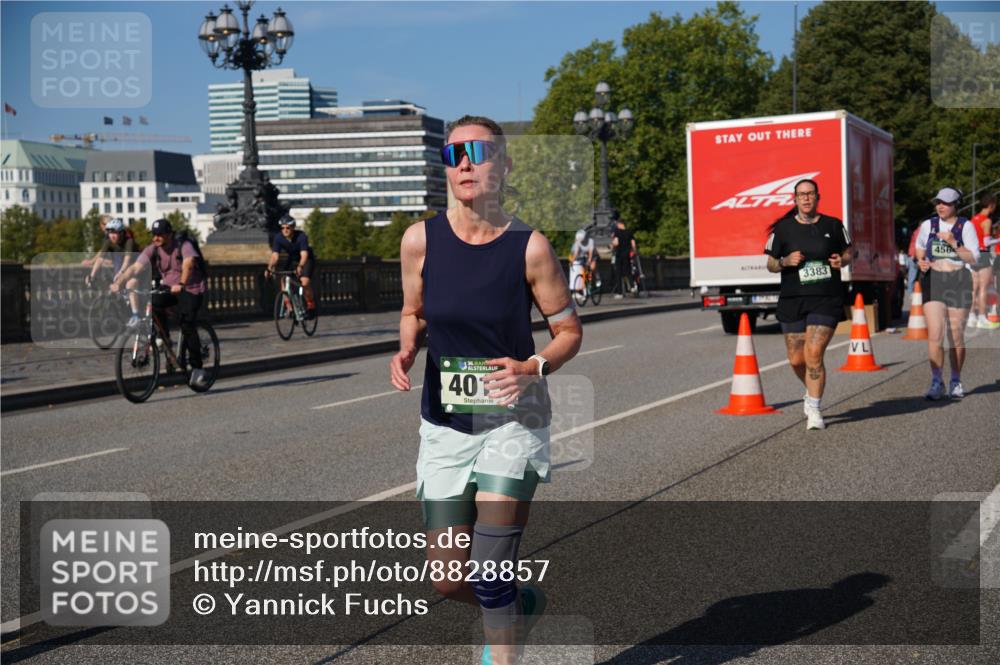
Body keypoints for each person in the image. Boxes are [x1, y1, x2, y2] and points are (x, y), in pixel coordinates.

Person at [389, 115, 582, 664]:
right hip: (446, 425)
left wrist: (533, 366)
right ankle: (521, 605)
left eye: (478, 152)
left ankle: (503, 638)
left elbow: (569, 332)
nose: (466, 164)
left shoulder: (530, 247)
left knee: (492, 570)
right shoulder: (420, 240)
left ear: (504, 164)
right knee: (449, 580)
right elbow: (412, 311)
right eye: (454, 155)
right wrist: (407, 347)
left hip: (512, 420)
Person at [764, 178, 852, 430]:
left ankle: (814, 408)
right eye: (801, 194)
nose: (806, 198)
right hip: (793, 299)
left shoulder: (833, 225)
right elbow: (770, 264)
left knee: (814, 353)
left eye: (810, 193)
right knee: (796, 359)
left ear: (817, 197)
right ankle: (810, 391)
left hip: (826, 297)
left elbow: (849, 251)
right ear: (795, 199)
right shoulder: (783, 229)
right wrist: (785, 262)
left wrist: (842, 261)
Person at [112, 219, 210, 388]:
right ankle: (164, 339)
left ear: (169, 234)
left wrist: (181, 283)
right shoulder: (153, 249)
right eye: (154, 235)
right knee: (153, 302)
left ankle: (198, 368)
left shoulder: (183, 245)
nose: (156, 238)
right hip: (168, 287)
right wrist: (119, 282)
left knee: (187, 324)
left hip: (191, 288)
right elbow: (135, 267)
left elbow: (188, 263)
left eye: (160, 235)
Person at [914, 187, 980, 399]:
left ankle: (955, 380)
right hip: (933, 279)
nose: (940, 206)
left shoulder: (965, 226)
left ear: (956, 205)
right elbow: (919, 247)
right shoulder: (929, 225)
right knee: (935, 333)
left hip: (958, 280)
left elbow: (974, 258)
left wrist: (953, 242)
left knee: (956, 336)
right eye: (938, 202)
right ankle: (936, 382)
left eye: (946, 203)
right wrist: (921, 261)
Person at [85, 217, 142, 324]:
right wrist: (92, 275)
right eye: (110, 233)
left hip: (134, 266)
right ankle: (122, 312)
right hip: (120, 263)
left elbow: (127, 261)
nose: (112, 236)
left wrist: (121, 273)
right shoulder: (108, 241)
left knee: (130, 284)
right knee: (113, 287)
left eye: (115, 233)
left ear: (121, 233)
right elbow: (100, 259)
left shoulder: (129, 241)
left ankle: (136, 315)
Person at [264, 214, 317, 318]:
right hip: (292, 259)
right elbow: (275, 256)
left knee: (305, 281)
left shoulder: (301, 236)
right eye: (283, 228)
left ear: (293, 228)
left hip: (306, 259)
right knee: (284, 279)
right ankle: (289, 308)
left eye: (288, 228)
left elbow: (304, 254)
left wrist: (300, 266)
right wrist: (269, 268)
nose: (285, 230)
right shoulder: (279, 237)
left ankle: (310, 304)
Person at [969, 194, 998, 329]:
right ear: (991, 205)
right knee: (983, 288)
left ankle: (971, 317)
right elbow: (986, 242)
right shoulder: (986, 221)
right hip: (984, 254)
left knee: (973, 288)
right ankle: (981, 317)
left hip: (973, 255)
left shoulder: (973, 219)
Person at [610, 216, 637, 298]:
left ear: (619, 224)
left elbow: (616, 243)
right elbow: (633, 243)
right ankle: (632, 286)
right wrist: (634, 251)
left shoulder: (617, 232)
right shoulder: (629, 232)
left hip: (619, 254)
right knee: (628, 271)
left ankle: (620, 293)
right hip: (627, 254)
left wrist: (611, 245)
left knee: (618, 273)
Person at [569, 228, 595, 294]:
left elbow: (590, 252)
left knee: (590, 270)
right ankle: (584, 289)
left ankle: (591, 283)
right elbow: (575, 253)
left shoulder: (590, 241)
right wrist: (572, 261)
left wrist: (589, 260)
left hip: (586, 257)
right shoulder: (577, 242)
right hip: (579, 259)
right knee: (582, 273)